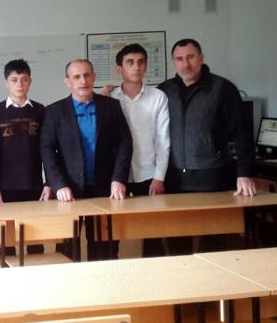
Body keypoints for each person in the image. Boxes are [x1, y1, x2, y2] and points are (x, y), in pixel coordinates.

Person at [158, 38, 256, 253]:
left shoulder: (223, 88)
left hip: (213, 176)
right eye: (179, 59)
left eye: (191, 57)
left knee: (214, 241)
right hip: (174, 178)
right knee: (176, 238)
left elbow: (242, 132)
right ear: (173, 62)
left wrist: (244, 173)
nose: (186, 64)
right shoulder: (164, 90)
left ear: (201, 58)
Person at [40, 59, 133, 260]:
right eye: (76, 77)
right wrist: (58, 184)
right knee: (67, 249)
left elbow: (125, 143)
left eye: (87, 75)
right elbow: (47, 150)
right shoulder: (54, 111)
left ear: (94, 77)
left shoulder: (111, 106)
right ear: (68, 81)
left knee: (105, 247)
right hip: (68, 191)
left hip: (106, 189)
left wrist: (118, 179)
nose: (83, 81)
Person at [99, 44, 170, 256]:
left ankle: (153, 272)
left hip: (148, 174)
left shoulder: (158, 97)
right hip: (115, 175)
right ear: (119, 68)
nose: (136, 67)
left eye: (141, 62)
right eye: (130, 62)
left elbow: (163, 140)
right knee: (112, 234)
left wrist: (159, 177)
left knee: (152, 233)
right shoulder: (108, 98)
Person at [0, 59, 50, 254]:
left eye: (24, 79)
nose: (19, 84)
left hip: (34, 184)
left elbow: (47, 150)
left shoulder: (40, 110)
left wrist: (49, 183)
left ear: (30, 81)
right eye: (14, 80)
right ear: (6, 82)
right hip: (5, 186)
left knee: (35, 238)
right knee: (8, 239)